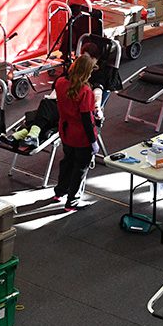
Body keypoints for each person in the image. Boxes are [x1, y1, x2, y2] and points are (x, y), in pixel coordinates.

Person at [42, 54, 99, 210]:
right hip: (81, 135)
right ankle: (72, 201)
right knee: (80, 168)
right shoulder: (86, 91)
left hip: (65, 130)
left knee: (67, 162)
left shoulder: (60, 83)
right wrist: (93, 142)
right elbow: (87, 119)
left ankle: (60, 191)